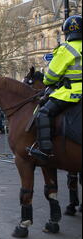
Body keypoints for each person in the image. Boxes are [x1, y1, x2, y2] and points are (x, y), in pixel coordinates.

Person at [29, 15, 82, 161]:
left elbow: (50, 77)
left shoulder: (65, 49)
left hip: (71, 93)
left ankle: (45, 151)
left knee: (43, 114)